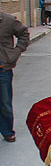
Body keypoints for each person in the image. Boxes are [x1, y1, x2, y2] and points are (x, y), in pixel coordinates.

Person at [0, 11, 29, 142]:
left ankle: (7, 131)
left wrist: (16, 51)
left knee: (5, 103)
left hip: (3, 69)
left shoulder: (8, 20)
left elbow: (24, 34)